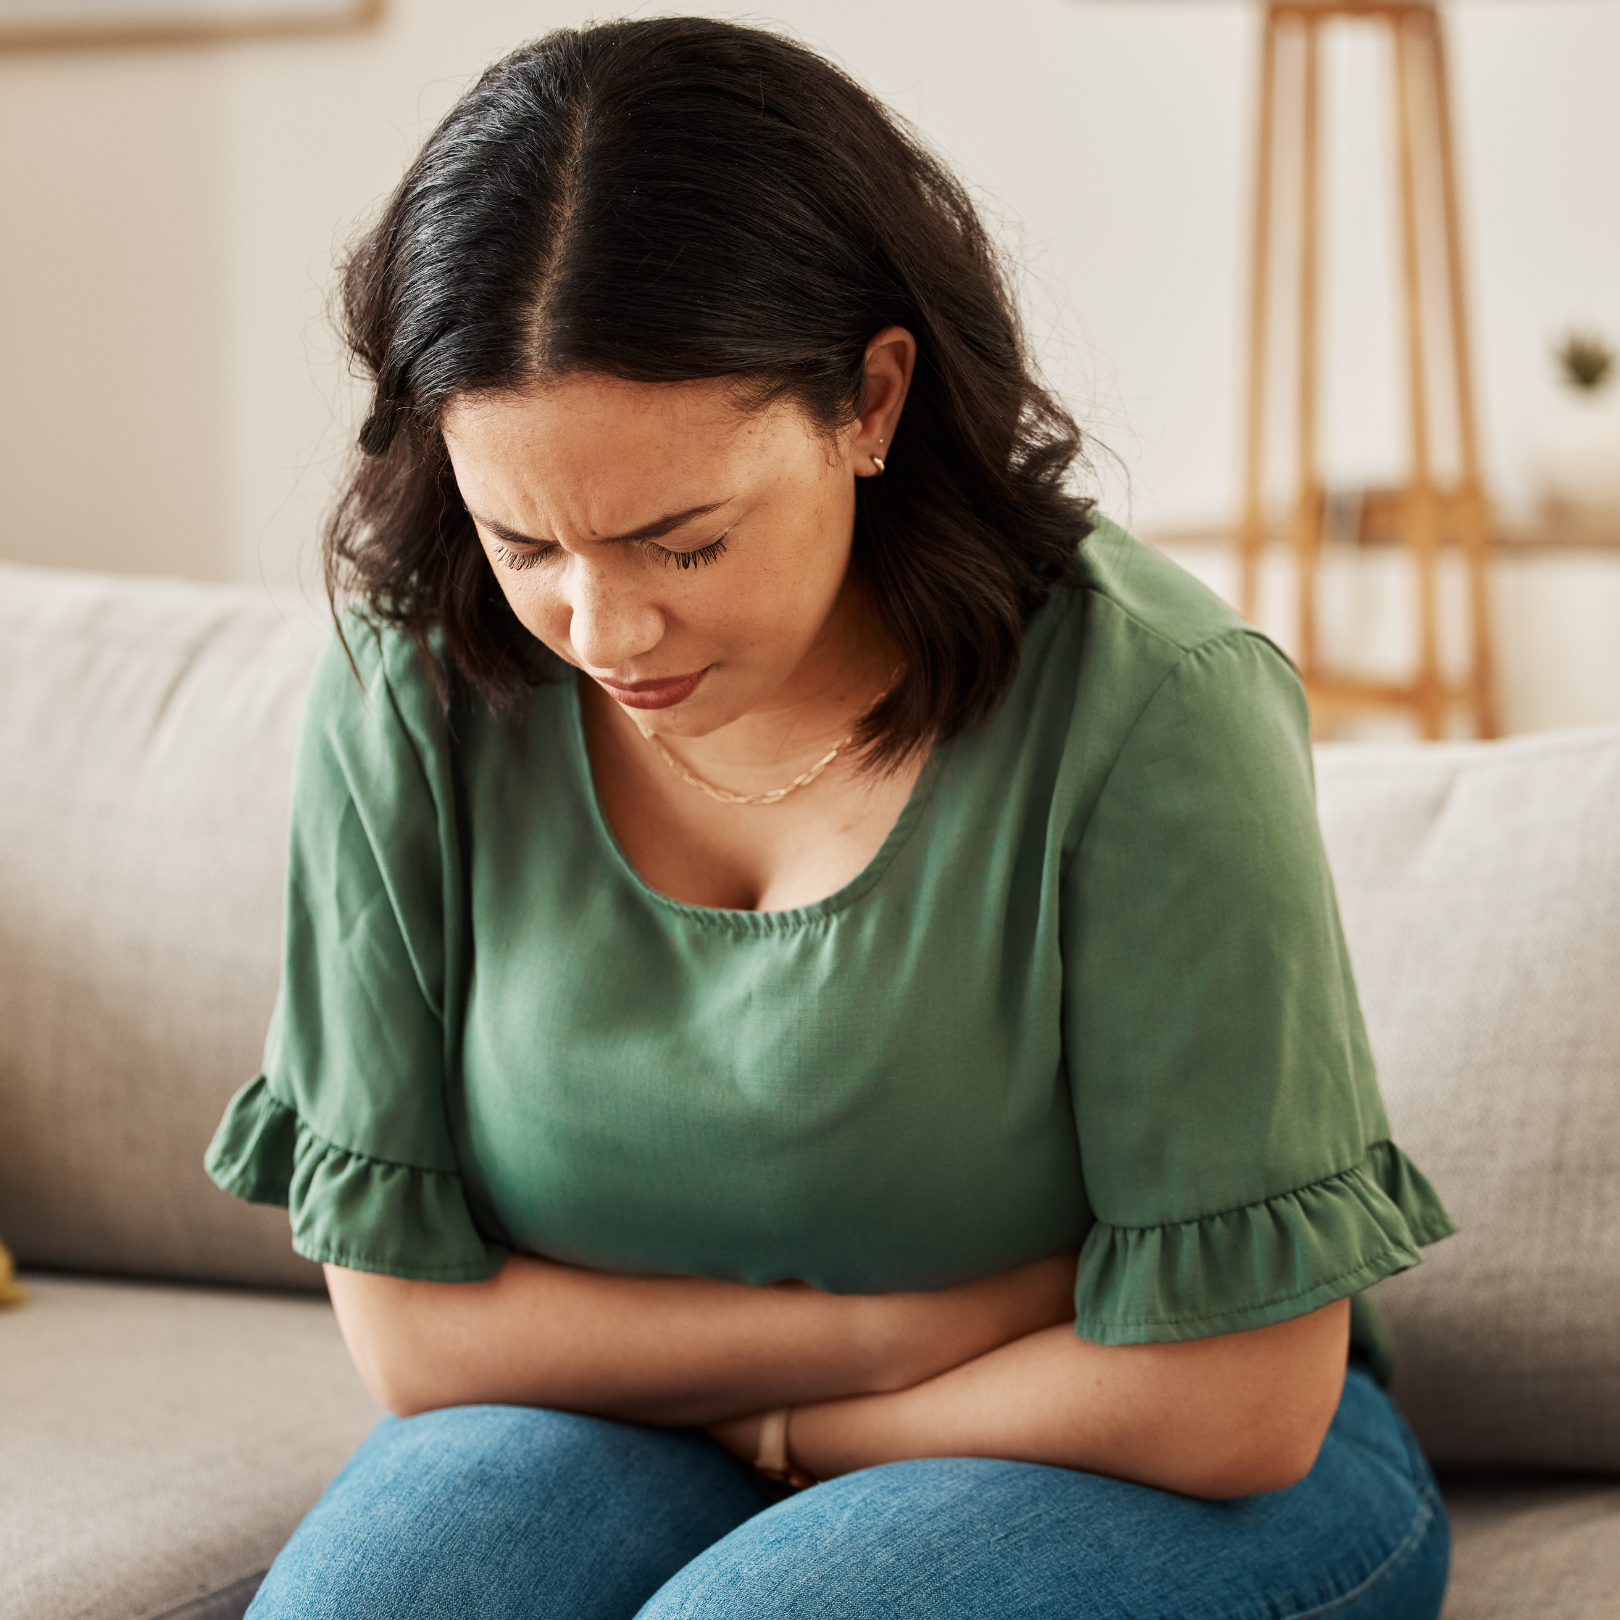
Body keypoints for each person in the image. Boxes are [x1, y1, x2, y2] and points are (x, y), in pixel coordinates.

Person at [205, 16, 1456, 1618]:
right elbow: (415, 1338)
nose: (603, 630)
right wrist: (882, 1340)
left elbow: (1239, 1401)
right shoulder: (415, 689)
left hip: (1165, 1459)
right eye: (526, 544)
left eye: (684, 541)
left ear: (871, 399)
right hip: (662, 1429)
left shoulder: (1154, 706)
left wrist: (801, 1440)